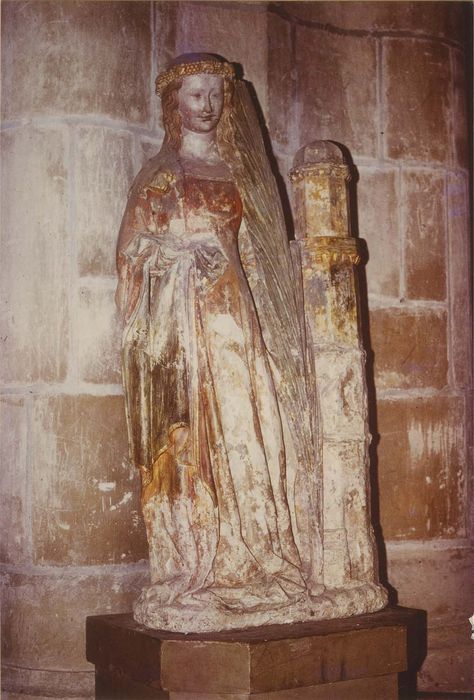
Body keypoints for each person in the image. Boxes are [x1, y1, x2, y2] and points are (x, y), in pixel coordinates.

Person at [115, 54, 322, 631]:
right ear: (174, 105)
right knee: (193, 436)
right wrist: (181, 256)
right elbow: (130, 254)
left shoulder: (237, 172)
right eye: (195, 95)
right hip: (183, 328)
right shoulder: (160, 174)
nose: (206, 105)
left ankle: (253, 553)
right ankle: (197, 561)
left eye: (214, 94)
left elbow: (255, 251)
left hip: (235, 319)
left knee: (250, 428)